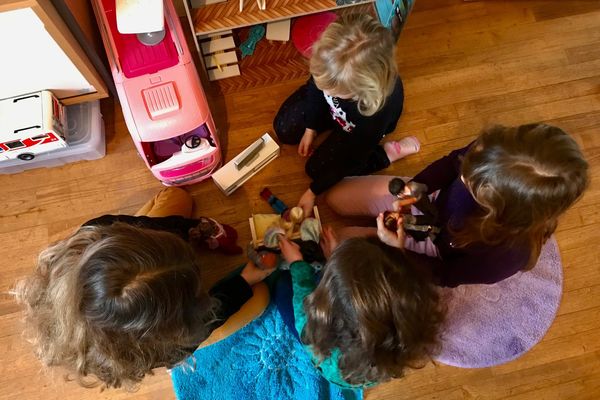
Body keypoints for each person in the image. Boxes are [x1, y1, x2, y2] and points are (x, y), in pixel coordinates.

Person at [13, 187, 275, 389]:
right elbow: (206, 321)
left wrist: (195, 229)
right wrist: (246, 280)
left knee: (177, 196)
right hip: (139, 254)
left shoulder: (97, 232)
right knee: (260, 297)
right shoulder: (165, 345)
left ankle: (153, 222)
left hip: (134, 239)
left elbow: (160, 229)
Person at [325, 123, 589, 287]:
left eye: (472, 185)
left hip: (435, 250)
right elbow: (453, 162)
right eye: (471, 163)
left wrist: (401, 250)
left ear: (501, 211)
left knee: (339, 241)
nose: (463, 175)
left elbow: (444, 275)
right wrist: (419, 186)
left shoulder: (507, 256)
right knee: (334, 198)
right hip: (430, 204)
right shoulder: (494, 152)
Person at [273, 13, 420, 217]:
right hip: (341, 112)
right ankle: (325, 118)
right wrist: (311, 127)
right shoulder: (332, 63)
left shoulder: (375, 111)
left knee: (316, 171)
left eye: (333, 90)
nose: (326, 90)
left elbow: (352, 156)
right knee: (284, 128)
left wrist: (313, 191)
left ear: (362, 89)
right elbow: (316, 88)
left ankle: (386, 154)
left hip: (358, 132)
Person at [277, 235, 444, 388]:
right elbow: (390, 286)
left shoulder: (314, 330)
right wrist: (338, 260)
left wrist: (297, 264)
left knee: (281, 289)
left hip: (335, 371)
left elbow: (302, 304)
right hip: (364, 374)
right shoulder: (409, 328)